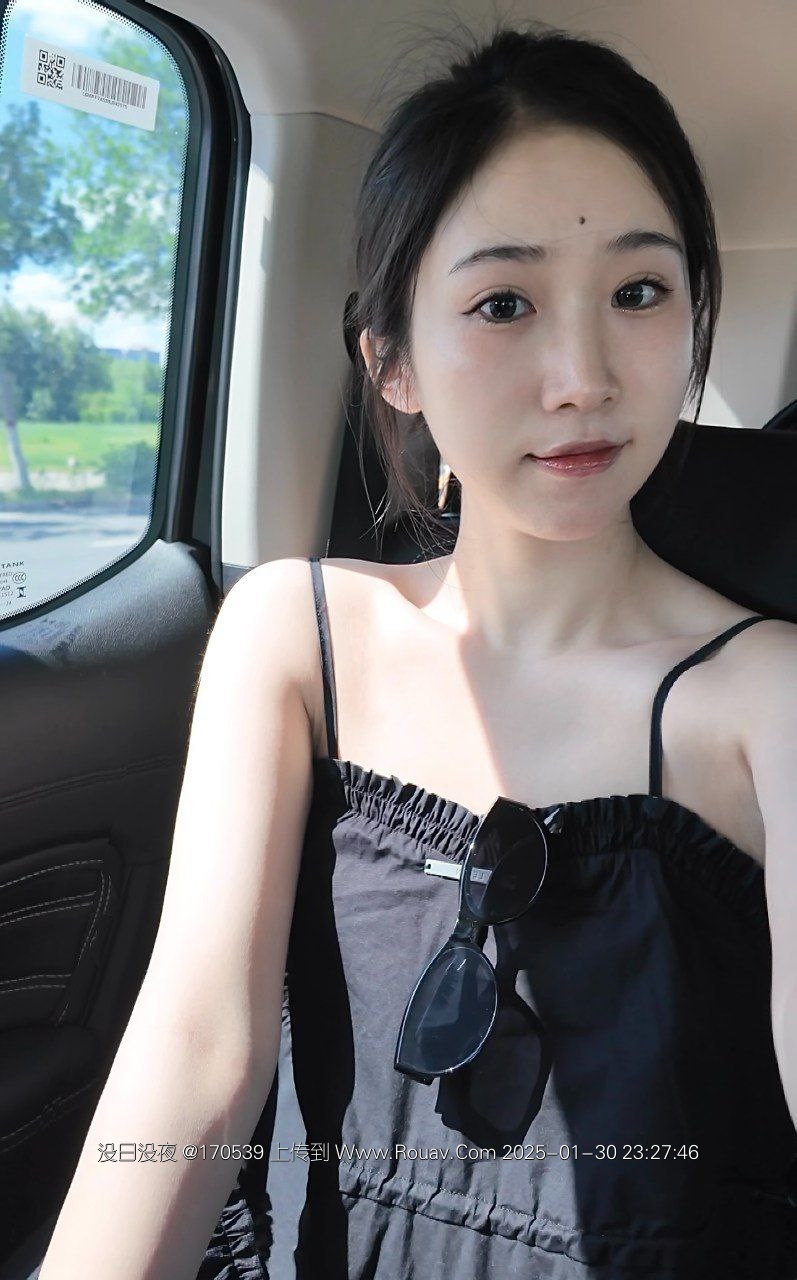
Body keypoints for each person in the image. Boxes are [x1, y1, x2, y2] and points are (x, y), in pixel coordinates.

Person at [38, 18, 797, 1280]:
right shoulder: (292, 635)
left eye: (637, 292)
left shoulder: (766, 696)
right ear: (390, 362)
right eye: (502, 303)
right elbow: (193, 1058)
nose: (581, 376)